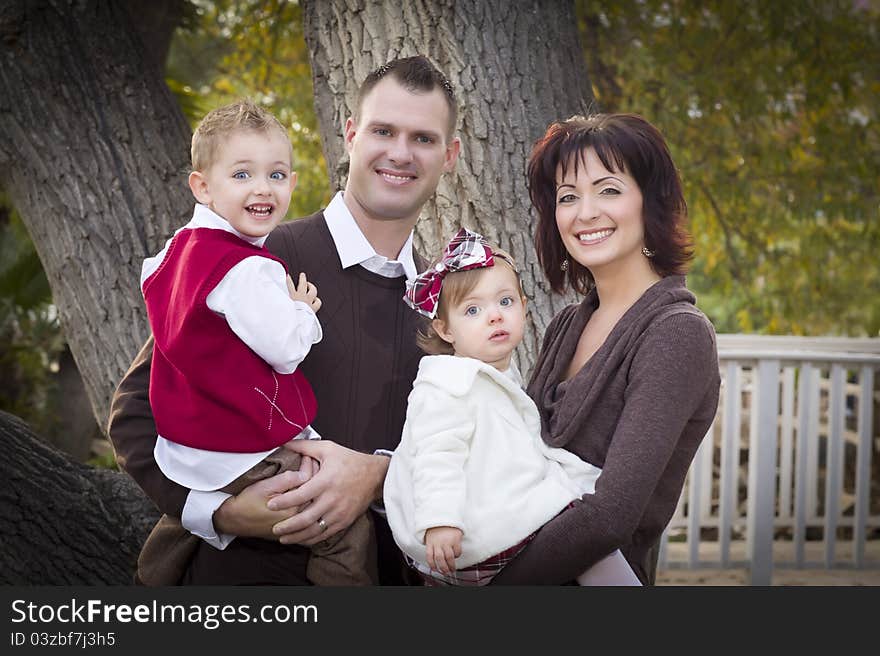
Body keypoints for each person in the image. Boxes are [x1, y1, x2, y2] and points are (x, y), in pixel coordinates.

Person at [108, 56, 461, 585]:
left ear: (450, 155)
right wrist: (221, 513)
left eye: (424, 138)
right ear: (351, 135)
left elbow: (460, 451)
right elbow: (135, 416)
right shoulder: (256, 259)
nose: (400, 153)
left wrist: (378, 474)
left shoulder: (447, 306)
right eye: (383, 131)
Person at [132, 99, 376, 586]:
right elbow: (285, 350)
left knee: (194, 507)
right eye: (242, 175)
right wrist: (302, 312)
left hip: (187, 444)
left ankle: (152, 576)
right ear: (202, 186)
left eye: (277, 175)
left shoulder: (172, 254)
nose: (263, 188)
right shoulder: (250, 268)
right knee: (344, 527)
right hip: (241, 444)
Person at [491, 113, 721, 585]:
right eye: (568, 197)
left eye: (609, 190)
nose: (586, 212)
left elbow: (610, 516)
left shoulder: (675, 334)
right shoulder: (566, 325)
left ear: (649, 203)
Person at [383, 228, 641, 586]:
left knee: (587, 528)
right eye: (473, 310)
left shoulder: (496, 374)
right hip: (466, 535)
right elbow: (435, 453)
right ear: (445, 330)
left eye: (505, 302)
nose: (494, 316)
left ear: (522, 304)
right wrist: (440, 520)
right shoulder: (445, 383)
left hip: (495, 525)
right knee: (586, 531)